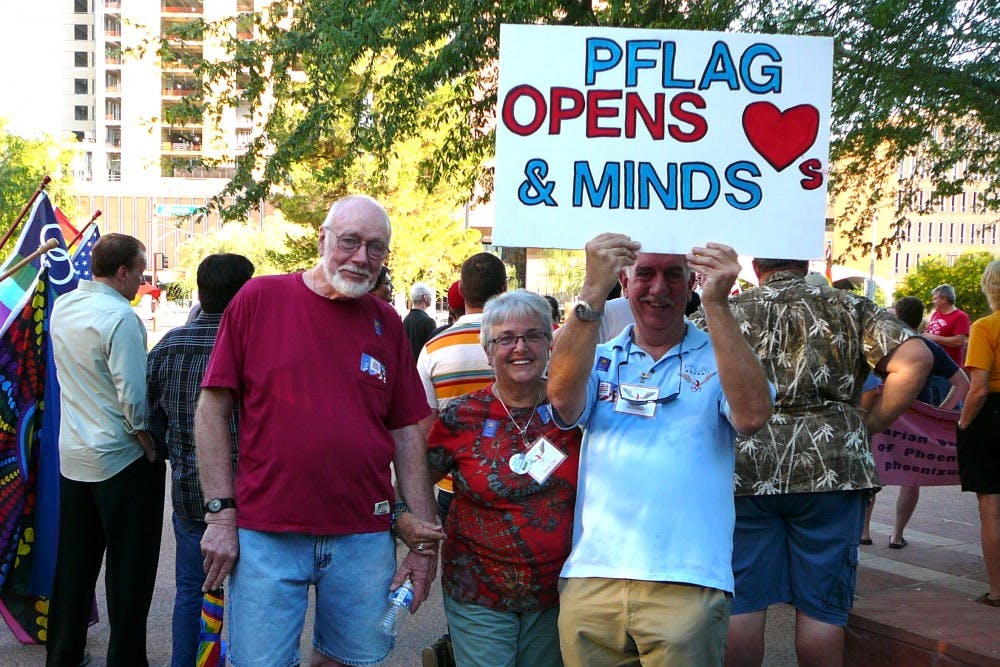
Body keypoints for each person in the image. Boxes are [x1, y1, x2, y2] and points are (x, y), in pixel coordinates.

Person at [196, 195, 444, 667]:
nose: (361, 257)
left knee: (350, 661)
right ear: (323, 239)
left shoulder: (386, 322)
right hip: (266, 534)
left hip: (363, 536)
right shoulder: (259, 299)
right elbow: (211, 407)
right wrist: (220, 514)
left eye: (375, 248)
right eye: (349, 241)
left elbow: (407, 433)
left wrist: (422, 544)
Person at [548, 234, 773, 665]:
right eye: (645, 274)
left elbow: (751, 416)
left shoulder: (721, 355)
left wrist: (718, 305)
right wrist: (591, 291)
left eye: (673, 275)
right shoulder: (599, 356)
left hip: (687, 582)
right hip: (594, 578)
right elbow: (561, 400)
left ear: (692, 282)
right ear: (624, 280)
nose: (658, 288)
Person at [714, 257, 932, 667]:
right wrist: (868, 425)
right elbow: (917, 359)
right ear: (802, 262)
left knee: (742, 603)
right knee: (821, 611)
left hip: (747, 470)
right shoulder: (850, 306)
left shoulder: (729, 310)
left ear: (757, 267)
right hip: (833, 470)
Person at [427, 290, 581, 666]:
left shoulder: (573, 411)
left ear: (549, 343)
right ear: (488, 350)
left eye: (533, 335)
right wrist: (412, 522)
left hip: (555, 591)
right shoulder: (462, 415)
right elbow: (418, 475)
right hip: (478, 588)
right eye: (506, 339)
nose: (520, 347)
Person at [47, 233, 165, 667]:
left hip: (75, 453)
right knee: (129, 569)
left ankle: (63, 653)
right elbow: (133, 394)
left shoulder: (65, 306)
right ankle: (127, 658)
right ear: (122, 272)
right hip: (121, 457)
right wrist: (147, 440)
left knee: (74, 564)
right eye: (139, 271)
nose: (141, 280)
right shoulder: (121, 318)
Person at [146, 253, 255, 667]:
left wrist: (174, 450)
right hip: (250, 491)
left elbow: (148, 416)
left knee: (191, 589)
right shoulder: (255, 347)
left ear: (199, 292)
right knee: (253, 596)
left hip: (191, 492)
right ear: (245, 294)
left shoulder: (170, 345)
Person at [415, 252, 507, 666]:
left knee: (466, 580)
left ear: (461, 294)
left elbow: (424, 430)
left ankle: (461, 643)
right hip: (520, 487)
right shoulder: (522, 338)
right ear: (503, 289)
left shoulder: (435, 348)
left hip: (454, 488)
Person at [859, 296, 969, 549]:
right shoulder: (929, 347)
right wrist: (940, 413)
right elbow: (963, 383)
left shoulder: (879, 344)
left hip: (880, 415)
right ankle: (897, 534)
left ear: (895, 315)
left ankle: (863, 531)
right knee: (912, 476)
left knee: (871, 472)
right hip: (918, 419)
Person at [956, 260, 1000, 607]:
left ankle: (997, 590)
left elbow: (979, 388)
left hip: (992, 418)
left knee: (991, 507)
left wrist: (964, 423)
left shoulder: (986, 328)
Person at [924, 284, 971, 366]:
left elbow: (959, 341)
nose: (933, 301)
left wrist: (934, 338)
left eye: (935, 298)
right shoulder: (936, 314)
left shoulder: (961, 316)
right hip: (933, 363)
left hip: (949, 367)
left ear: (944, 299)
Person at [403, 282, 437, 360]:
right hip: (423, 368)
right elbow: (433, 351)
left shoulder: (406, 320)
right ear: (424, 297)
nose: (431, 298)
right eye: (430, 295)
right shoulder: (429, 322)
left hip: (409, 368)